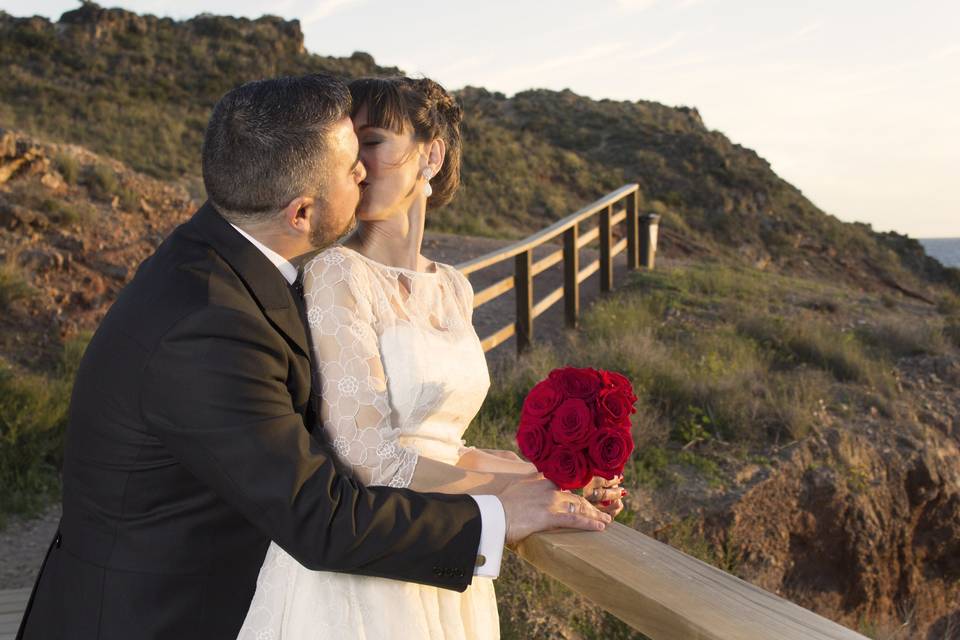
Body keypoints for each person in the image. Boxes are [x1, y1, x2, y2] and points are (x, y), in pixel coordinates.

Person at [16, 74, 611, 640]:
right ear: (300, 213)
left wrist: (543, 480)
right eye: (351, 164)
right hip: (151, 619)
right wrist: (499, 514)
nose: (364, 171)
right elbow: (319, 514)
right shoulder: (209, 322)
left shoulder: (219, 264)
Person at [237, 76, 625, 639]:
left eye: (374, 141)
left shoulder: (453, 286)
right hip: (366, 567)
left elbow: (447, 446)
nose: (360, 164)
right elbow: (369, 458)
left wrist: (555, 482)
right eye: (351, 146)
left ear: (432, 155)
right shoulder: (338, 273)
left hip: (447, 562)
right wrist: (510, 498)